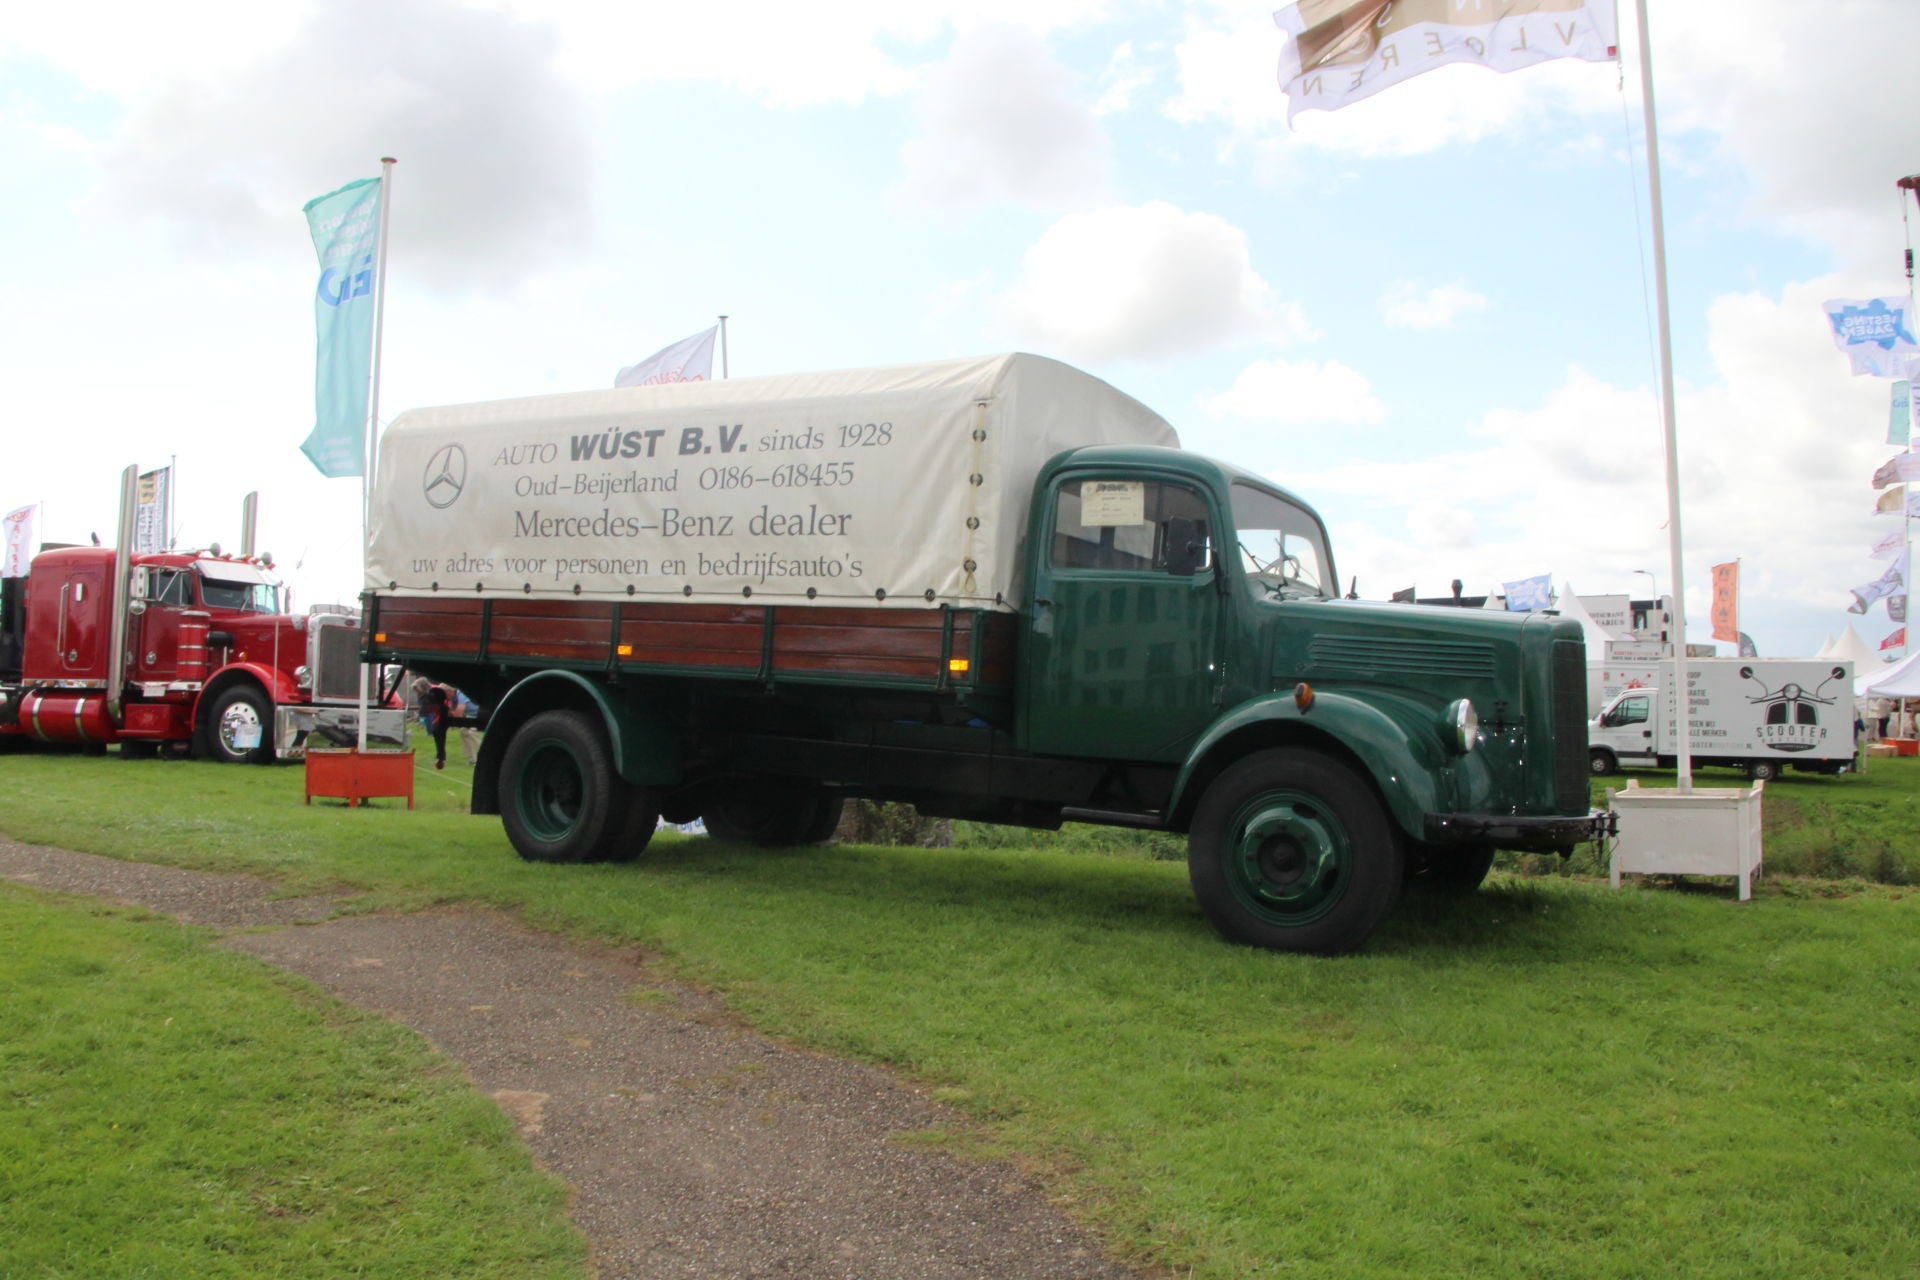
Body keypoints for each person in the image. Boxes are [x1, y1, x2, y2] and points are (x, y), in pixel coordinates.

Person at [411, 677, 482, 770]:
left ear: (449, 691)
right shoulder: (450, 698)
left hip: (480, 715)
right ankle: (473, 759)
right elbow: (449, 711)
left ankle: (482, 756)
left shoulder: (460, 695)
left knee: (470, 732)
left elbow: (457, 714)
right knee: (464, 732)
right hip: (469, 715)